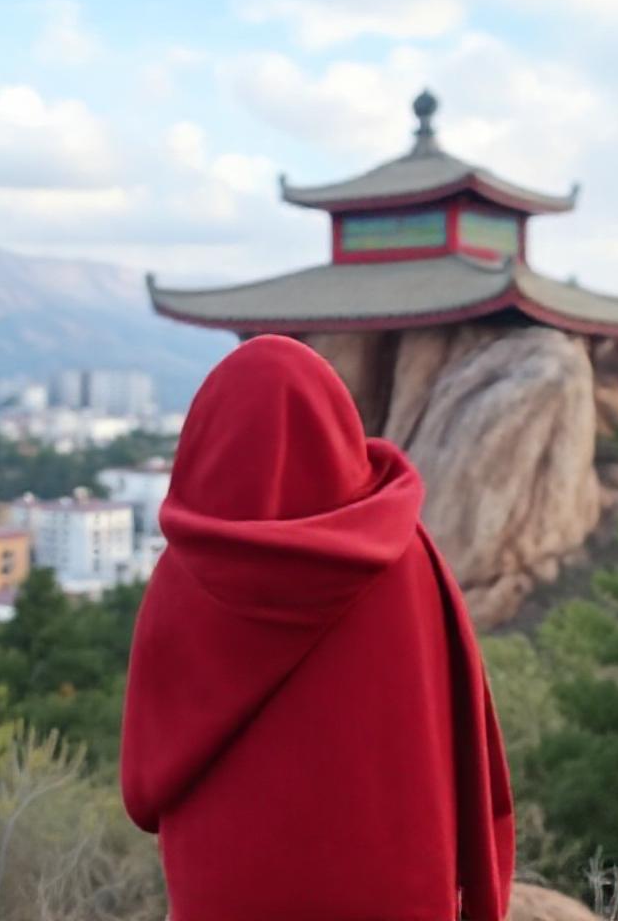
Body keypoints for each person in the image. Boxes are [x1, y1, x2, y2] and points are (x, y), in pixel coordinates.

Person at [121, 335, 513, 921]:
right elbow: (457, 732)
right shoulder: (404, 558)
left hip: (227, 896)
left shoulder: (182, 583)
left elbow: (144, 787)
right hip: (394, 893)